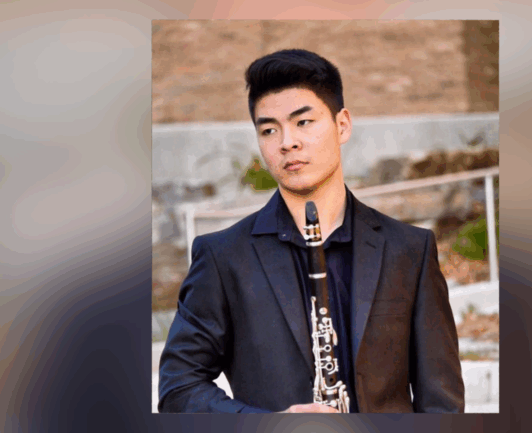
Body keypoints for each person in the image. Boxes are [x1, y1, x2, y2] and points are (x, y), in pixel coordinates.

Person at [158, 49, 464, 413]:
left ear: (342, 125)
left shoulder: (410, 250)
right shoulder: (223, 257)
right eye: (269, 130)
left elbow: (441, 405)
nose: (287, 142)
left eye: (303, 122)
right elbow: (178, 388)